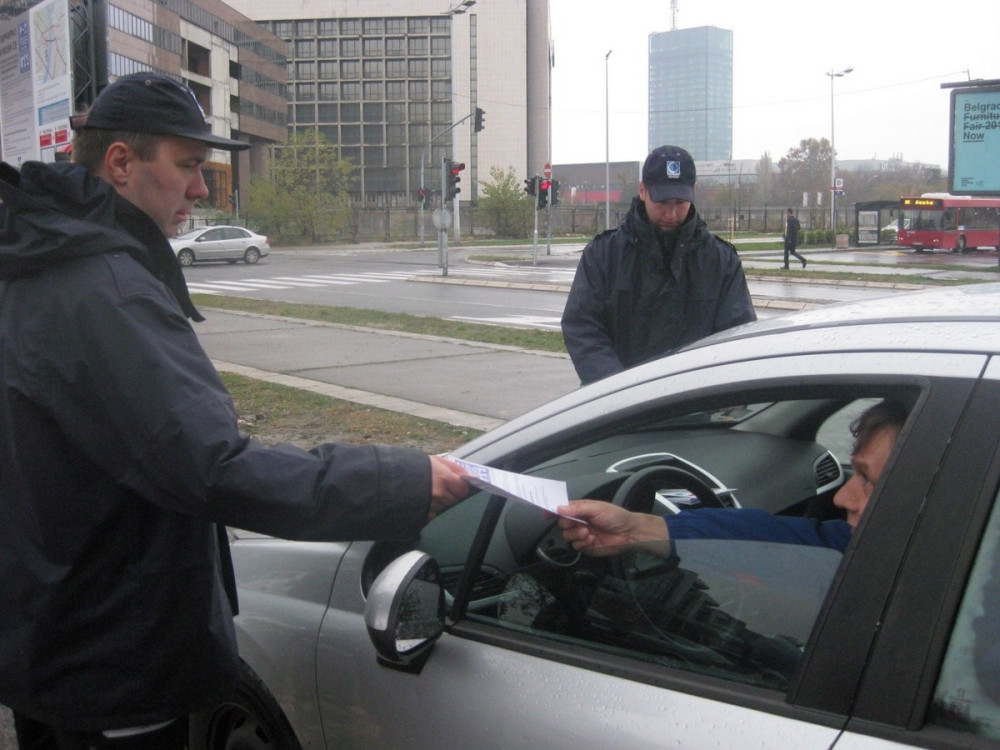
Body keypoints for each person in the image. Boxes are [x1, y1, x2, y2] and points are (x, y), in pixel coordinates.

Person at [0, 73, 471, 749]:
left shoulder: (40, 263)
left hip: (53, 634)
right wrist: (400, 480)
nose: (201, 189)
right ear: (122, 163)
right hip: (112, 663)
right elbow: (213, 466)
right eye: (188, 166)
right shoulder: (105, 291)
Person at [558, 399, 907, 555]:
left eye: (868, 480)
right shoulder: (865, 549)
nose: (841, 498)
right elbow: (786, 544)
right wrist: (636, 529)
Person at [561, 145, 757, 386]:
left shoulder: (721, 261)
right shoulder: (604, 254)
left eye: (680, 202)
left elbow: (736, 337)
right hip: (616, 407)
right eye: (662, 202)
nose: (672, 213)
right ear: (643, 191)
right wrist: (617, 388)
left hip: (693, 406)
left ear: (693, 193)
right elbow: (582, 326)